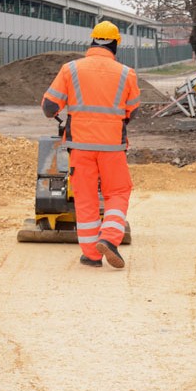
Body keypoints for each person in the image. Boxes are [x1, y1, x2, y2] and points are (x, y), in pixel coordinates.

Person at [41, 21, 140, 269]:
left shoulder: (70, 69)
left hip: (80, 146)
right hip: (113, 147)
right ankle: (109, 237)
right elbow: (133, 111)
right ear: (116, 44)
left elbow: (49, 107)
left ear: (92, 41)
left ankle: (91, 255)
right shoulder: (127, 73)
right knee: (117, 192)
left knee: (85, 198)